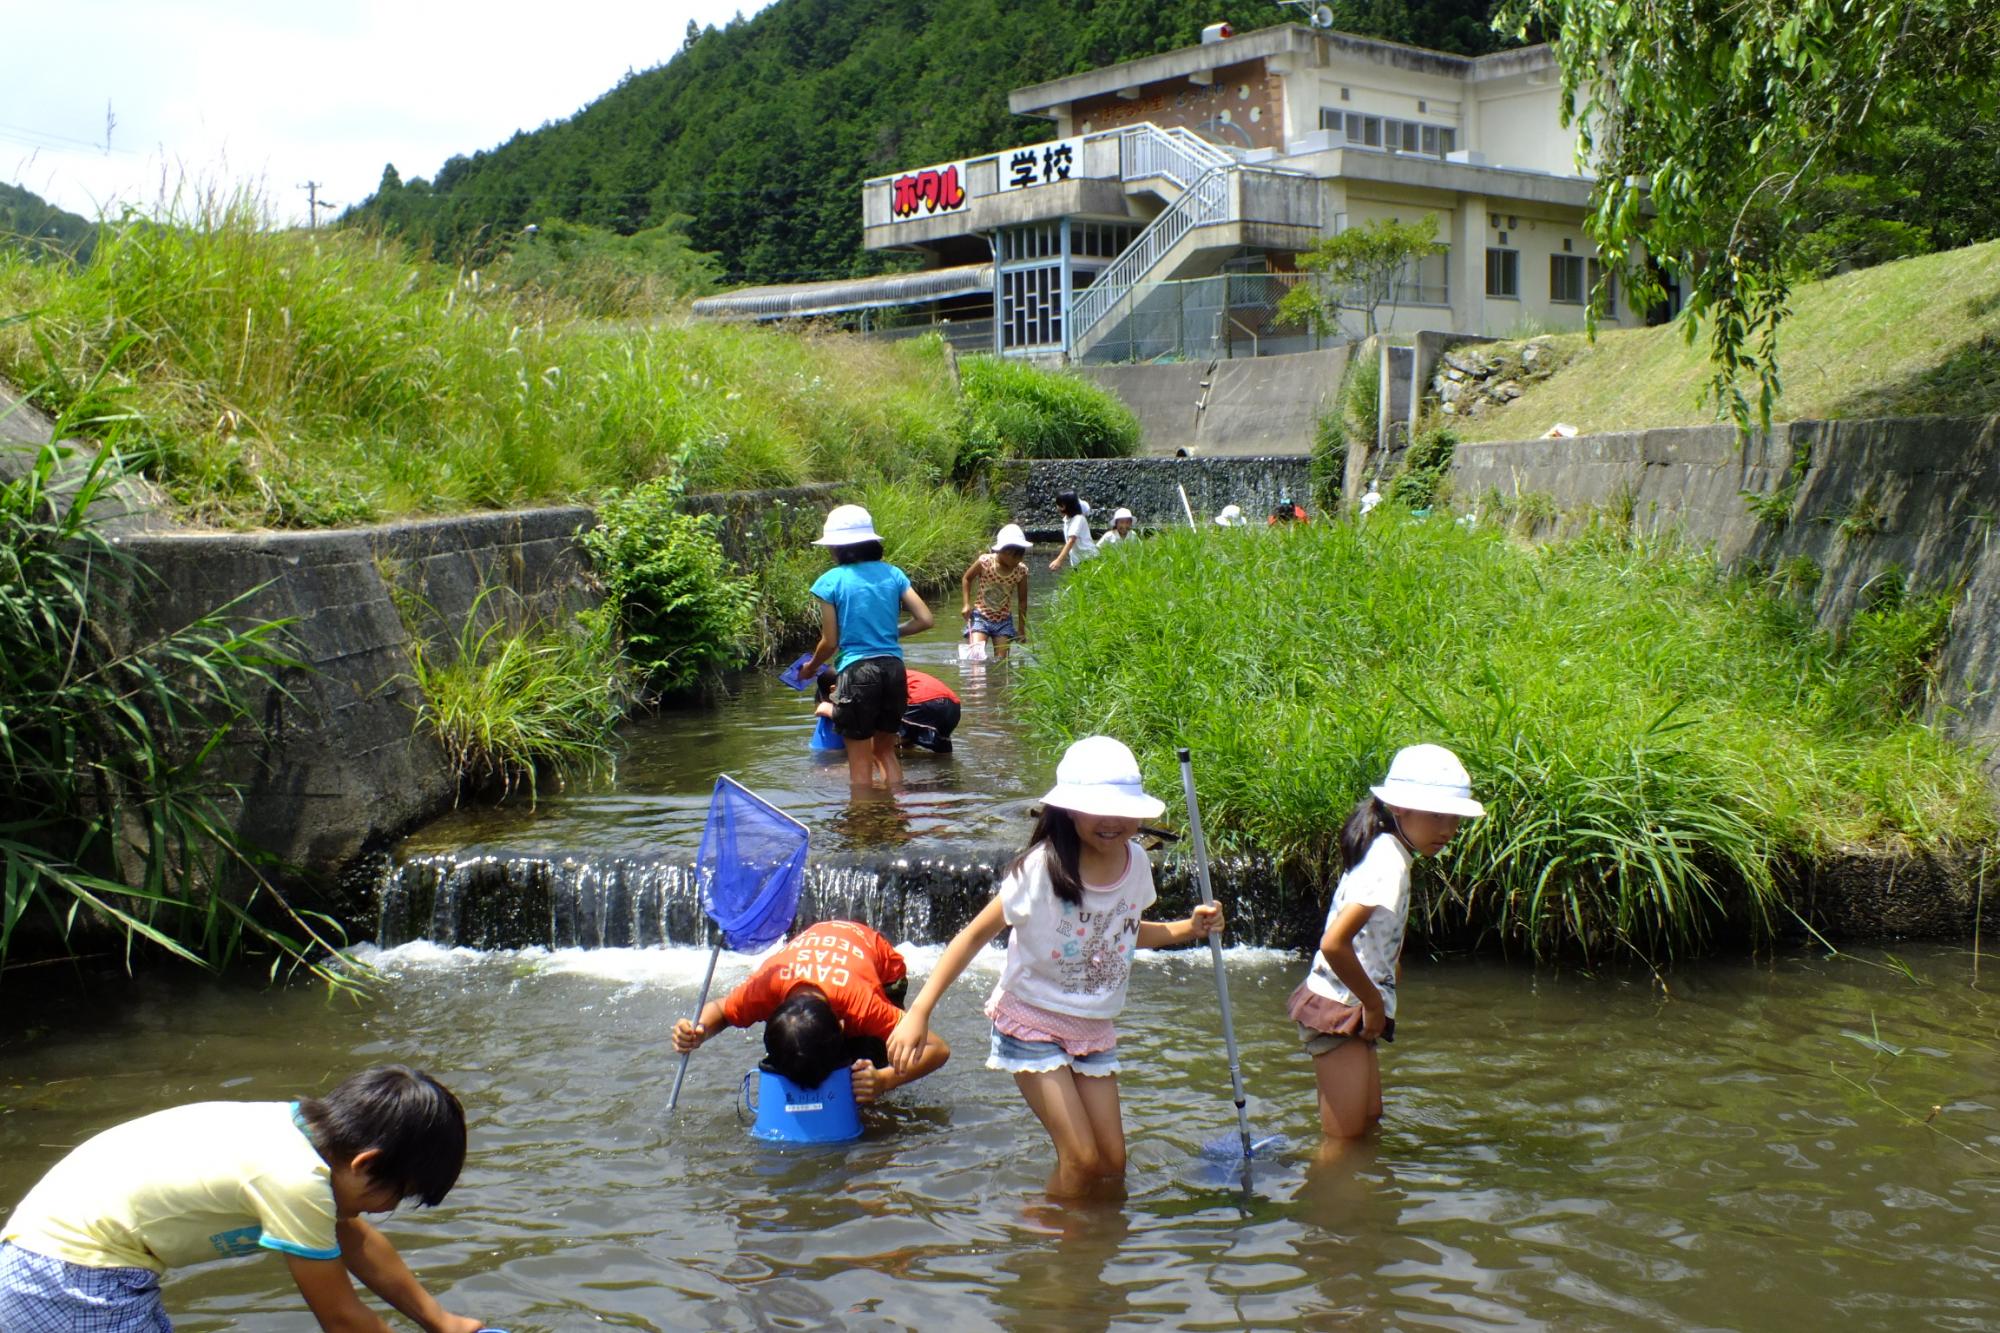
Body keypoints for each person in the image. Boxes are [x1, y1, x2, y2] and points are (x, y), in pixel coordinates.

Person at [886, 736, 1226, 1199]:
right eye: (1096, 809)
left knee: (1112, 1164)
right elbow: (972, 937)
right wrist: (919, 1013)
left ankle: (1088, 1247)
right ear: (1068, 810)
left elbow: (1123, 930)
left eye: (1122, 811)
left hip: (1092, 1026)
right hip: (1031, 1021)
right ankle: (1052, 1244)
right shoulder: (1040, 870)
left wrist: (1187, 928)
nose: (1112, 822)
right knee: (1082, 1159)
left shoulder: (1138, 862)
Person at [0, 1065, 489, 1333]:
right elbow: (341, 1320)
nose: (387, 1210)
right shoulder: (293, 1179)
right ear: (365, 1163)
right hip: (71, 1278)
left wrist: (441, 1322)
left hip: (60, 1261)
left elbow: (352, 1237)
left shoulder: (298, 1134)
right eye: (397, 1194)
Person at [1289, 744, 1484, 1146]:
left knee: (1368, 1122)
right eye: (1436, 815)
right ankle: (1324, 1203)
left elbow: (1366, 937)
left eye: (1454, 818)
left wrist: (1388, 973)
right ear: (1399, 808)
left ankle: (1361, 1203)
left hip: (1352, 1001)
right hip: (1341, 1007)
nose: (1446, 829)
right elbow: (1334, 943)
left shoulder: (1389, 849)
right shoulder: (1389, 864)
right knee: (1342, 1143)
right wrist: (1374, 1004)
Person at [673, 920, 950, 1105]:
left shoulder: (863, 1006)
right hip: (817, 945)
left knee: (873, 1063)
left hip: (881, 966)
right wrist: (699, 1032)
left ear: (843, 1026)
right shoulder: (764, 989)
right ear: (772, 1013)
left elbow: (937, 1049)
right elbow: (720, 1009)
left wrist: (883, 1081)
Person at [798, 504, 935, 790]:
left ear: (838, 547)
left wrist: (810, 668)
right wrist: (889, 633)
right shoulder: (893, 574)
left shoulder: (830, 581)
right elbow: (925, 619)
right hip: (894, 670)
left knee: (860, 762)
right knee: (884, 752)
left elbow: (830, 641)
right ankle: (896, 818)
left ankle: (864, 827)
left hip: (858, 673)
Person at [814, 667, 961, 756]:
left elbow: (859, 719)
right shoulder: (867, 672)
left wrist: (829, 710)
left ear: (833, 690)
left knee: (876, 750)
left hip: (920, 700)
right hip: (952, 704)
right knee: (941, 755)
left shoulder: (853, 685)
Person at [960, 524, 1032, 659]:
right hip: (981, 616)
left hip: (1003, 620)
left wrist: (1021, 629)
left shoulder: (1021, 570)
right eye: (1015, 556)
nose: (1019, 560)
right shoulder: (985, 562)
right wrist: (966, 604)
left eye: (1021, 556)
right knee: (976, 656)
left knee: (1001, 661)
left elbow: (1023, 601)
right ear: (1003, 551)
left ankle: (996, 680)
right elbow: (967, 578)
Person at [1048, 492, 1098, 571]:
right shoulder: (1067, 520)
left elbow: (1071, 540)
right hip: (1078, 561)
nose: (1056, 507)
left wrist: (1059, 560)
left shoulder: (1078, 519)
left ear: (1063, 506)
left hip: (1088, 559)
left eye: (1058, 505)